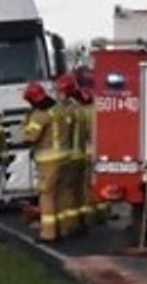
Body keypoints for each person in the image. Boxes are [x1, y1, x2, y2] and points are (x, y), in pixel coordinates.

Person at [20, 80, 68, 241]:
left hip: (48, 160)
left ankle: (48, 233)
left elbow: (30, 137)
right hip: (65, 158)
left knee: (46, 196)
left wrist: (24, 127)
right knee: (61, 196)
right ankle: (64, 228)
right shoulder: (59, 111)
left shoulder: (40, 115)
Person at [53, 72, 89, 235]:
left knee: (66, 192)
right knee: (79, 191)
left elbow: (63, 135)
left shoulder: (67, 110)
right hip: (80, 154)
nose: (57, 95)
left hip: (70, 157)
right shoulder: (79, 108)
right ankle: (82, 221)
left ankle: (69, 225)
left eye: (58, 91)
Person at [72, 67, 101, 226]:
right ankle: (99, 212)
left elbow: (79, 134)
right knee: (96, 184)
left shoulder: (77, 111)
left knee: (84, 186)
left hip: (83, 153)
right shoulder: (98, 108)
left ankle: (87, 216)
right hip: (98, 152)